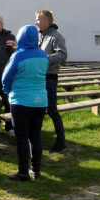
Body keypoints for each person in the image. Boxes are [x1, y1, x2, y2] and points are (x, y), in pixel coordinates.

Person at [2, 25, 49, 181]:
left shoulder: (18, 55)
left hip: (21, 100)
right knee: (35, 135)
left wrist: (8, 90)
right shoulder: (43, 55)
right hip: (40, 100)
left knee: (21, 137)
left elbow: (6, 78)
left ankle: (23, 173)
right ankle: (36, 170)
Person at [35, 10, 68, 153]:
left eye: (38, 19)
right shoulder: (39, 35)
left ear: (46, 21)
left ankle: (61, 143)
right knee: (38, 109)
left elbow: (62, 55)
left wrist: (44, 59)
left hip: (49, 78)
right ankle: (36, 139)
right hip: (39, 77)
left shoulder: (56, 36)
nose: (35, 22)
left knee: (52, 111)